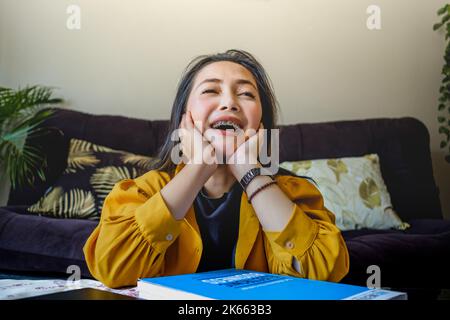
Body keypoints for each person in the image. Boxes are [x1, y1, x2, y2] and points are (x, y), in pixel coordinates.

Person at [83, 49, 349, 288]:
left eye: (245, 94)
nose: (229, 103)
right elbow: (113, 269)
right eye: (211, 91)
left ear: (261, 124)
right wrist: (199, 166)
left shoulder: (295, 194)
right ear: (184, 116)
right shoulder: (141, 192)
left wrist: (248, 169)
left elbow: (323, 277)